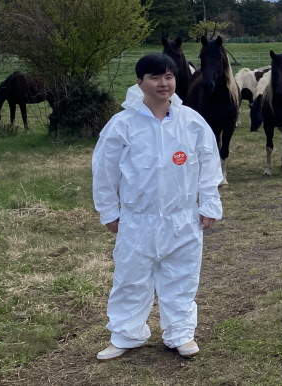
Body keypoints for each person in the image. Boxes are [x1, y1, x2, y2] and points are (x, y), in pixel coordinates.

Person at [92, 53, 223, 361]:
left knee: (182, 276)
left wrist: (210, 203)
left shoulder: (190, 121)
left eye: (169, 76)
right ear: (140, 83)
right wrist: (109, 210)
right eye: (155, 77)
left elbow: (208, 164)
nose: (163, 83)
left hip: (183, 218)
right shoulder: (122, 124)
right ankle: (126, 335)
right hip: (138, 220)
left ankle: (180, 334)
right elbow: (104, 171)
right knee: (130, 278)